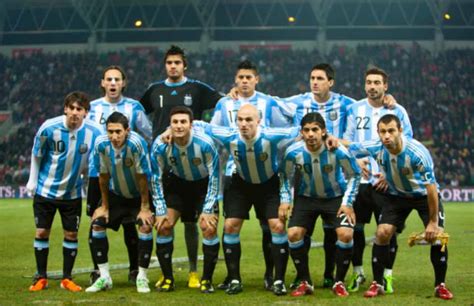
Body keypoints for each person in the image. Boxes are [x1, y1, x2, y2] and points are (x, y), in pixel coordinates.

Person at [140, 45, 223, 288]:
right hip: (169, 165)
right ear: (165, 65)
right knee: (164, 222)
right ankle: (167, 276)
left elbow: (222, 103)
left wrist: (203, 128)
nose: (173, 66)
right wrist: (154, 134)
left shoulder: (196, 88)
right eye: (169, 63)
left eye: (177, 62)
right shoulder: (154, 90)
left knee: (193, 224)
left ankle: (195, 272)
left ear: (184, 65)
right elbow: (138, 113)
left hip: (196, 164)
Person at [194, 104, 298, 296]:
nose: (243, 124)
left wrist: (327, 137)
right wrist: (169, 130)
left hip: (269, 185)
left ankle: (278, 280)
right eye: (240, 119)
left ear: (258, 121)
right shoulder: (230, 135)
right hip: (240, 183)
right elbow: (200, 125)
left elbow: (299, 129)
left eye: (249, 120)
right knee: (230, 226)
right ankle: (234, 279)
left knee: (277, 226)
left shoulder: (271, 135)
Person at [347, 114, 453, 300]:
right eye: (382, 132)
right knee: (382, 233)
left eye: (391, 131)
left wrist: (433, 222)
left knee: (437, 237)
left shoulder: (417, 153)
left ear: (400, 131)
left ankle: (440, 286)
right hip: (397, 196)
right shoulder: (375, 147)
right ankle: (377, 283)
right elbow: (346, 148)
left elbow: (431, 189)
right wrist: (354, 160)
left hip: (422, 196)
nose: (386, 136)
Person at [210, 60, 293, 291]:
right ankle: (233, 277)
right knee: (231, 225)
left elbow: (282, 133)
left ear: (257, 79)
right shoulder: (224, 103)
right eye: (241, 77)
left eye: (249, 77)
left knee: (270, 226)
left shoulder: (268, 102)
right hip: (235, 172)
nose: (244, 81)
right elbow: (213, 133)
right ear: (235, 80)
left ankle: (272, 275)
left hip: (267, 172)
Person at [341, 67, 413, 293]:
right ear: (365, 85)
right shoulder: (354, 109)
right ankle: (358, 273)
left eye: (377, 83)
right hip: (359, 183)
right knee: (356, 230)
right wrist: (355, 161)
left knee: (387, 231)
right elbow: (346, 140)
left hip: (386, 183)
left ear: (385, 86)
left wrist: (389, 173)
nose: (372, 86)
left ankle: (387, 276)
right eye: (369, 82)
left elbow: (407, 143)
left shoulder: (397, 110)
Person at [26, 91, 102, 292]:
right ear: (65, 109)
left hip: (72, 194)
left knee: (71, 235)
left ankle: (66, 278)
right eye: (72, 108)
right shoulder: (49, 128)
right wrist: (32, 180)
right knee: (42, 232)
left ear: (86, 112)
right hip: (45, 191)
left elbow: (99, 158)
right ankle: (41, 277)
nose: (75, 113)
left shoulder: (94, 132)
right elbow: (36, 154)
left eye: (80, 109)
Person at [280, 112, 361, 297]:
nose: (310, 134)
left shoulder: (337, 150)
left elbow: (355, 174)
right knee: (293, 234)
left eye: (315, 130)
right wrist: (285, 199)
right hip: (307, 198)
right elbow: (284, 175)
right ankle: (305, 281)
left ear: (324, 131)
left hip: (335, 198)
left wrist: (348, 203)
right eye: (306, 130)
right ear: (301, 132)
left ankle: (339, 282)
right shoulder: (294, 152)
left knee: (346, 234)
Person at [86, 65, 152, 285]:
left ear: (124, 83)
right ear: (102, 83)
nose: (113, 83)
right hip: (99, 174)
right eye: (109, 79)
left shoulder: (134, 107)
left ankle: (135, 269)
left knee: (130, 225)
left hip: (129, 172)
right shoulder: (92, 107)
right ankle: (99, 272)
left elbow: (149, 133)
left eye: (117, 79)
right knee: (96, 220)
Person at [150, 106, 220, 293]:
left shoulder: (205, 143)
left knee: (209, 228)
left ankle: (206, 280)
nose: (179, 126)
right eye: (175, 122)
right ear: (170, 125)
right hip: (177, 186)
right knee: (164, 225)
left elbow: (214, 177)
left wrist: (207, 209)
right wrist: (159, 209)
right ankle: (167, 279)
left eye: (183, 122)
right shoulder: (160, 144)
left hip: (203, 187)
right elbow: (155, 178)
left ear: (191, 125)